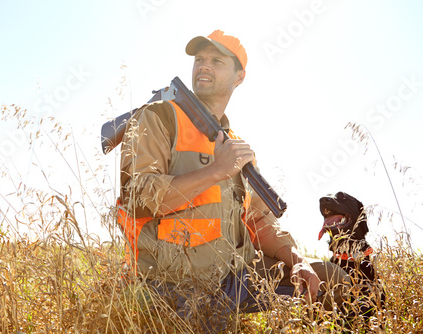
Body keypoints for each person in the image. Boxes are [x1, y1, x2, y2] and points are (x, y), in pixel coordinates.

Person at [117, 29, 350, 329]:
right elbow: (138, 196)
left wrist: (297, 260)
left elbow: (258, 220)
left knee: (332, 280)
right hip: (173, 282)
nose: (204, 65)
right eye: (200, 59)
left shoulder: (235, 146)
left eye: (216, 60)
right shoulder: (159, 117)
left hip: (234, 277)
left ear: (239, 77)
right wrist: (215, 171)